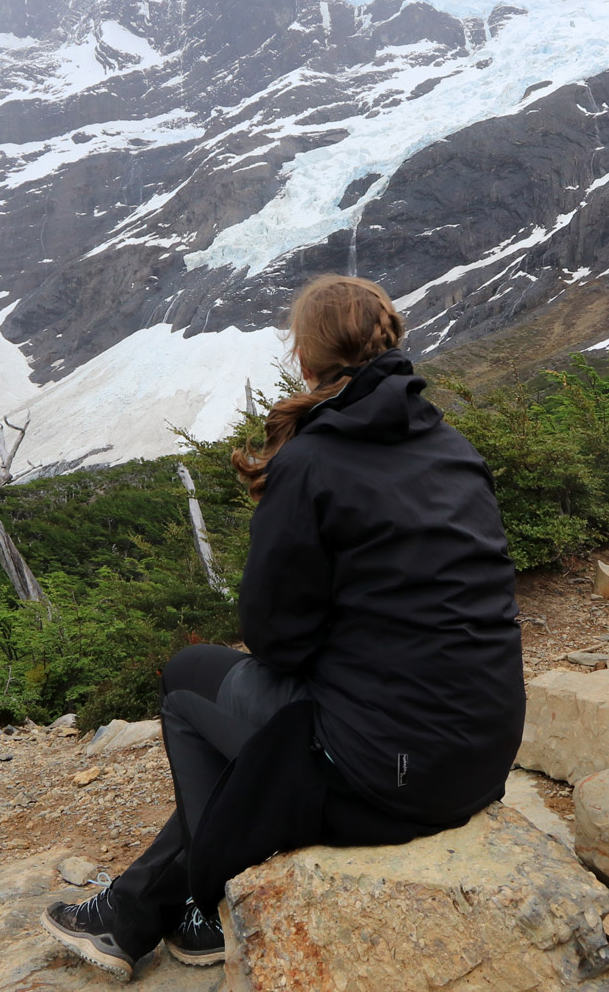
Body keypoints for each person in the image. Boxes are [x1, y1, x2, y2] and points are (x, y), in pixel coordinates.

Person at [41, 274, 525, 978]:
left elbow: (275, 641)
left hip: (390, 778)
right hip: (480, 759)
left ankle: (205, 909)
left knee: (187, 682)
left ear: (306, 358)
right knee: (278, 735)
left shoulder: (310, 460)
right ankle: (136, 908)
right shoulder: (451, 445)